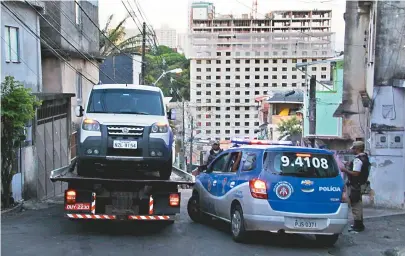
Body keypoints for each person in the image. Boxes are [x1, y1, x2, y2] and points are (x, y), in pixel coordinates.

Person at [340, 141, 370, 232]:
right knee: (359, 204)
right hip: (361, 184)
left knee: (355, 205)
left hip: (355, 185)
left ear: (358, 149)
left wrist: (345, 170)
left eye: (353, 148)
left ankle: (357, 226)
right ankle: (359, 224)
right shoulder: (365, 158)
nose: (352, 150)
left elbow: (356, 173)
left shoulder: (358, 160)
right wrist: (349, 165)